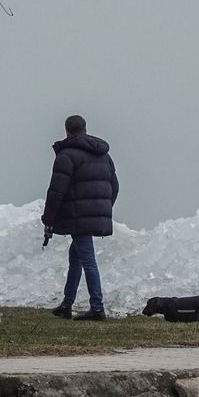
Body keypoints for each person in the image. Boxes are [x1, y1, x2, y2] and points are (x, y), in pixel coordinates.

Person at [42, 115, 119, 321]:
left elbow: (56, 192)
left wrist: (48, 219)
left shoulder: (66, 156)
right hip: (93, 215)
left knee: (88, 260)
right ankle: (67, 304)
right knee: (75, 257)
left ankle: (97, 307)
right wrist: (101, 208)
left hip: (78, 217)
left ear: (67, 131)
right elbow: (115, 186)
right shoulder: (104, 155)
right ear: (85, 129)